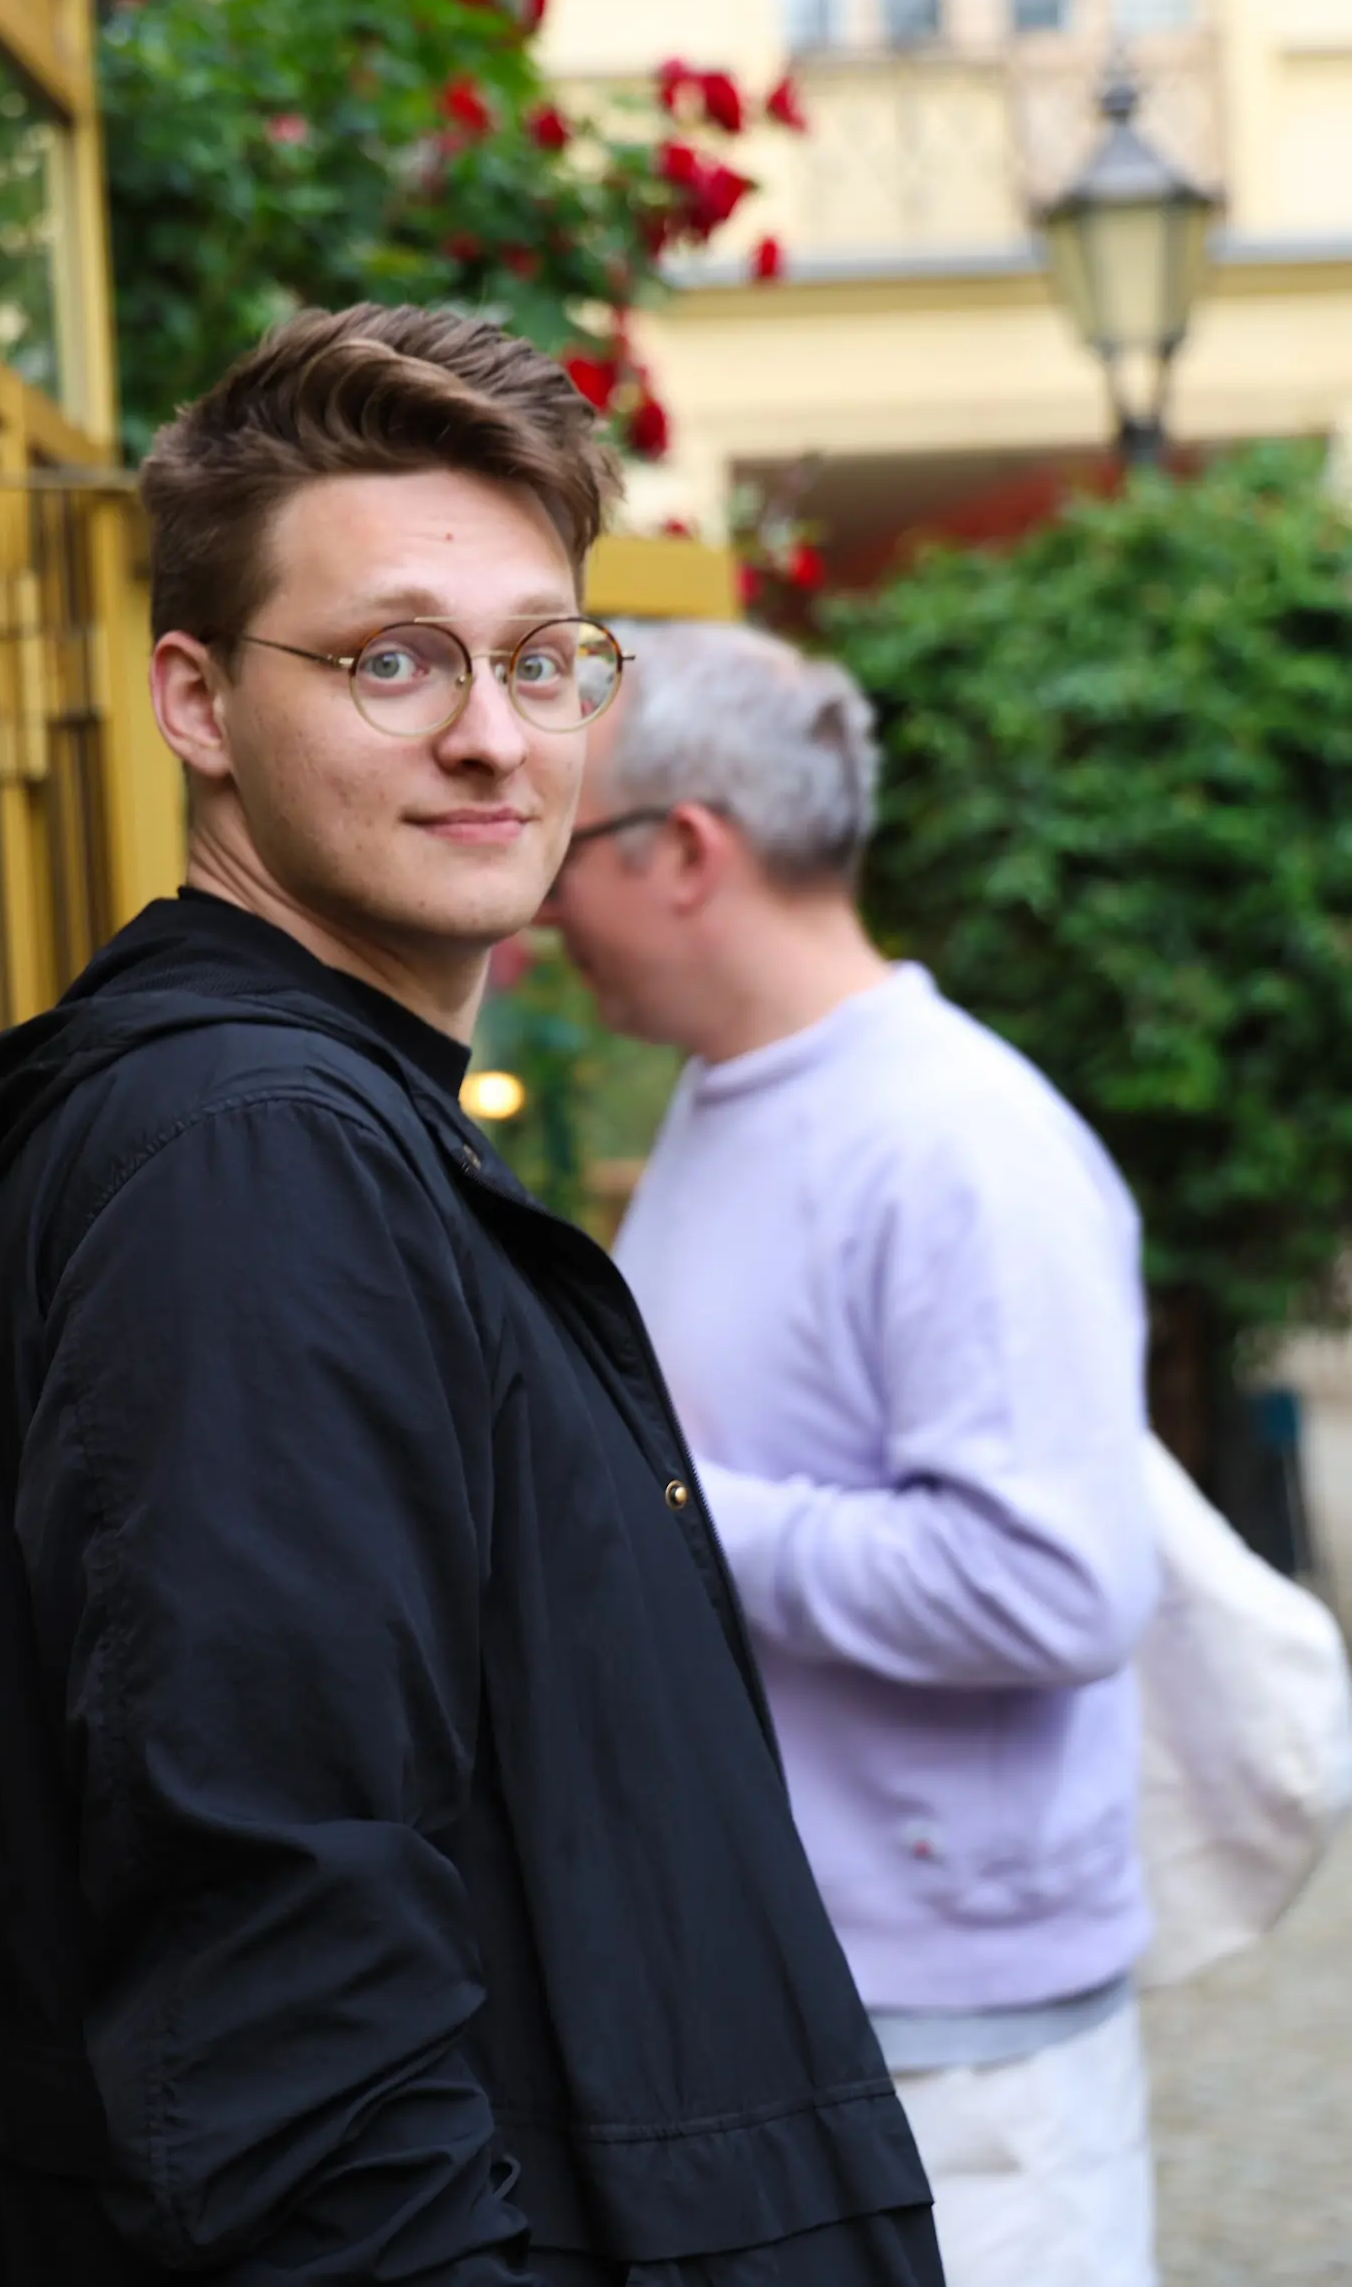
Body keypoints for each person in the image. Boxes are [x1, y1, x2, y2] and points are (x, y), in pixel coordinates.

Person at [0, 307, 942, 2287]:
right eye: (391, 658)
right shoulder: (252, 1161)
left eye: (538, 658)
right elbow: (287, 2010)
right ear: (195, 699)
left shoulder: (318, 1122)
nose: (491, 734)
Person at [541, 620, 1159, 2287]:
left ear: (682, 850)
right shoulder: (727, 1097)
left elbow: (1057, 1586)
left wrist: (655, 1511)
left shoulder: (958, 1142)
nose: (536, 913)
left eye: (565, 852)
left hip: (957, 2058)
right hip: (807, 1993)